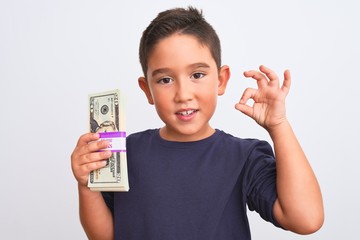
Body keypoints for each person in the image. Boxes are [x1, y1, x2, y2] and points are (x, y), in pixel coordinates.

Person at [71, 6, 324, 240]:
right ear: (147, 89)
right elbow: (104, 236)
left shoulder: (244, 156)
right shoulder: (123, 153)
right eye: (165, 80)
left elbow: (306, 219)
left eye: (197, 75)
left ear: (221, 80)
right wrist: (86, 186)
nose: (183, 94)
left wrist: (279, 126)